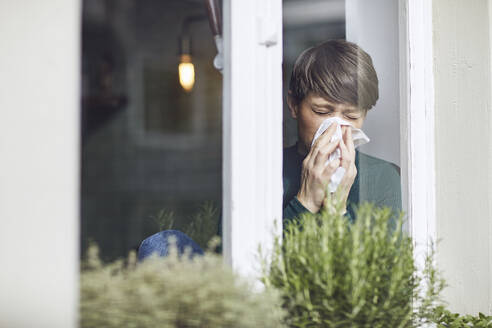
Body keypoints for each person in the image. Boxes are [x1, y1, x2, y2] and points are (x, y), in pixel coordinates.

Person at [138, 39, 401, 260]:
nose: (336, 127)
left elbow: (365, 287)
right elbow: (243, 268)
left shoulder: (382, 178)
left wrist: (336, 209)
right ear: (294, 105)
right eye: (322, 111)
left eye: (352, 117)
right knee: (162, 245)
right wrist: (305, 202)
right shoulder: (261, 172)